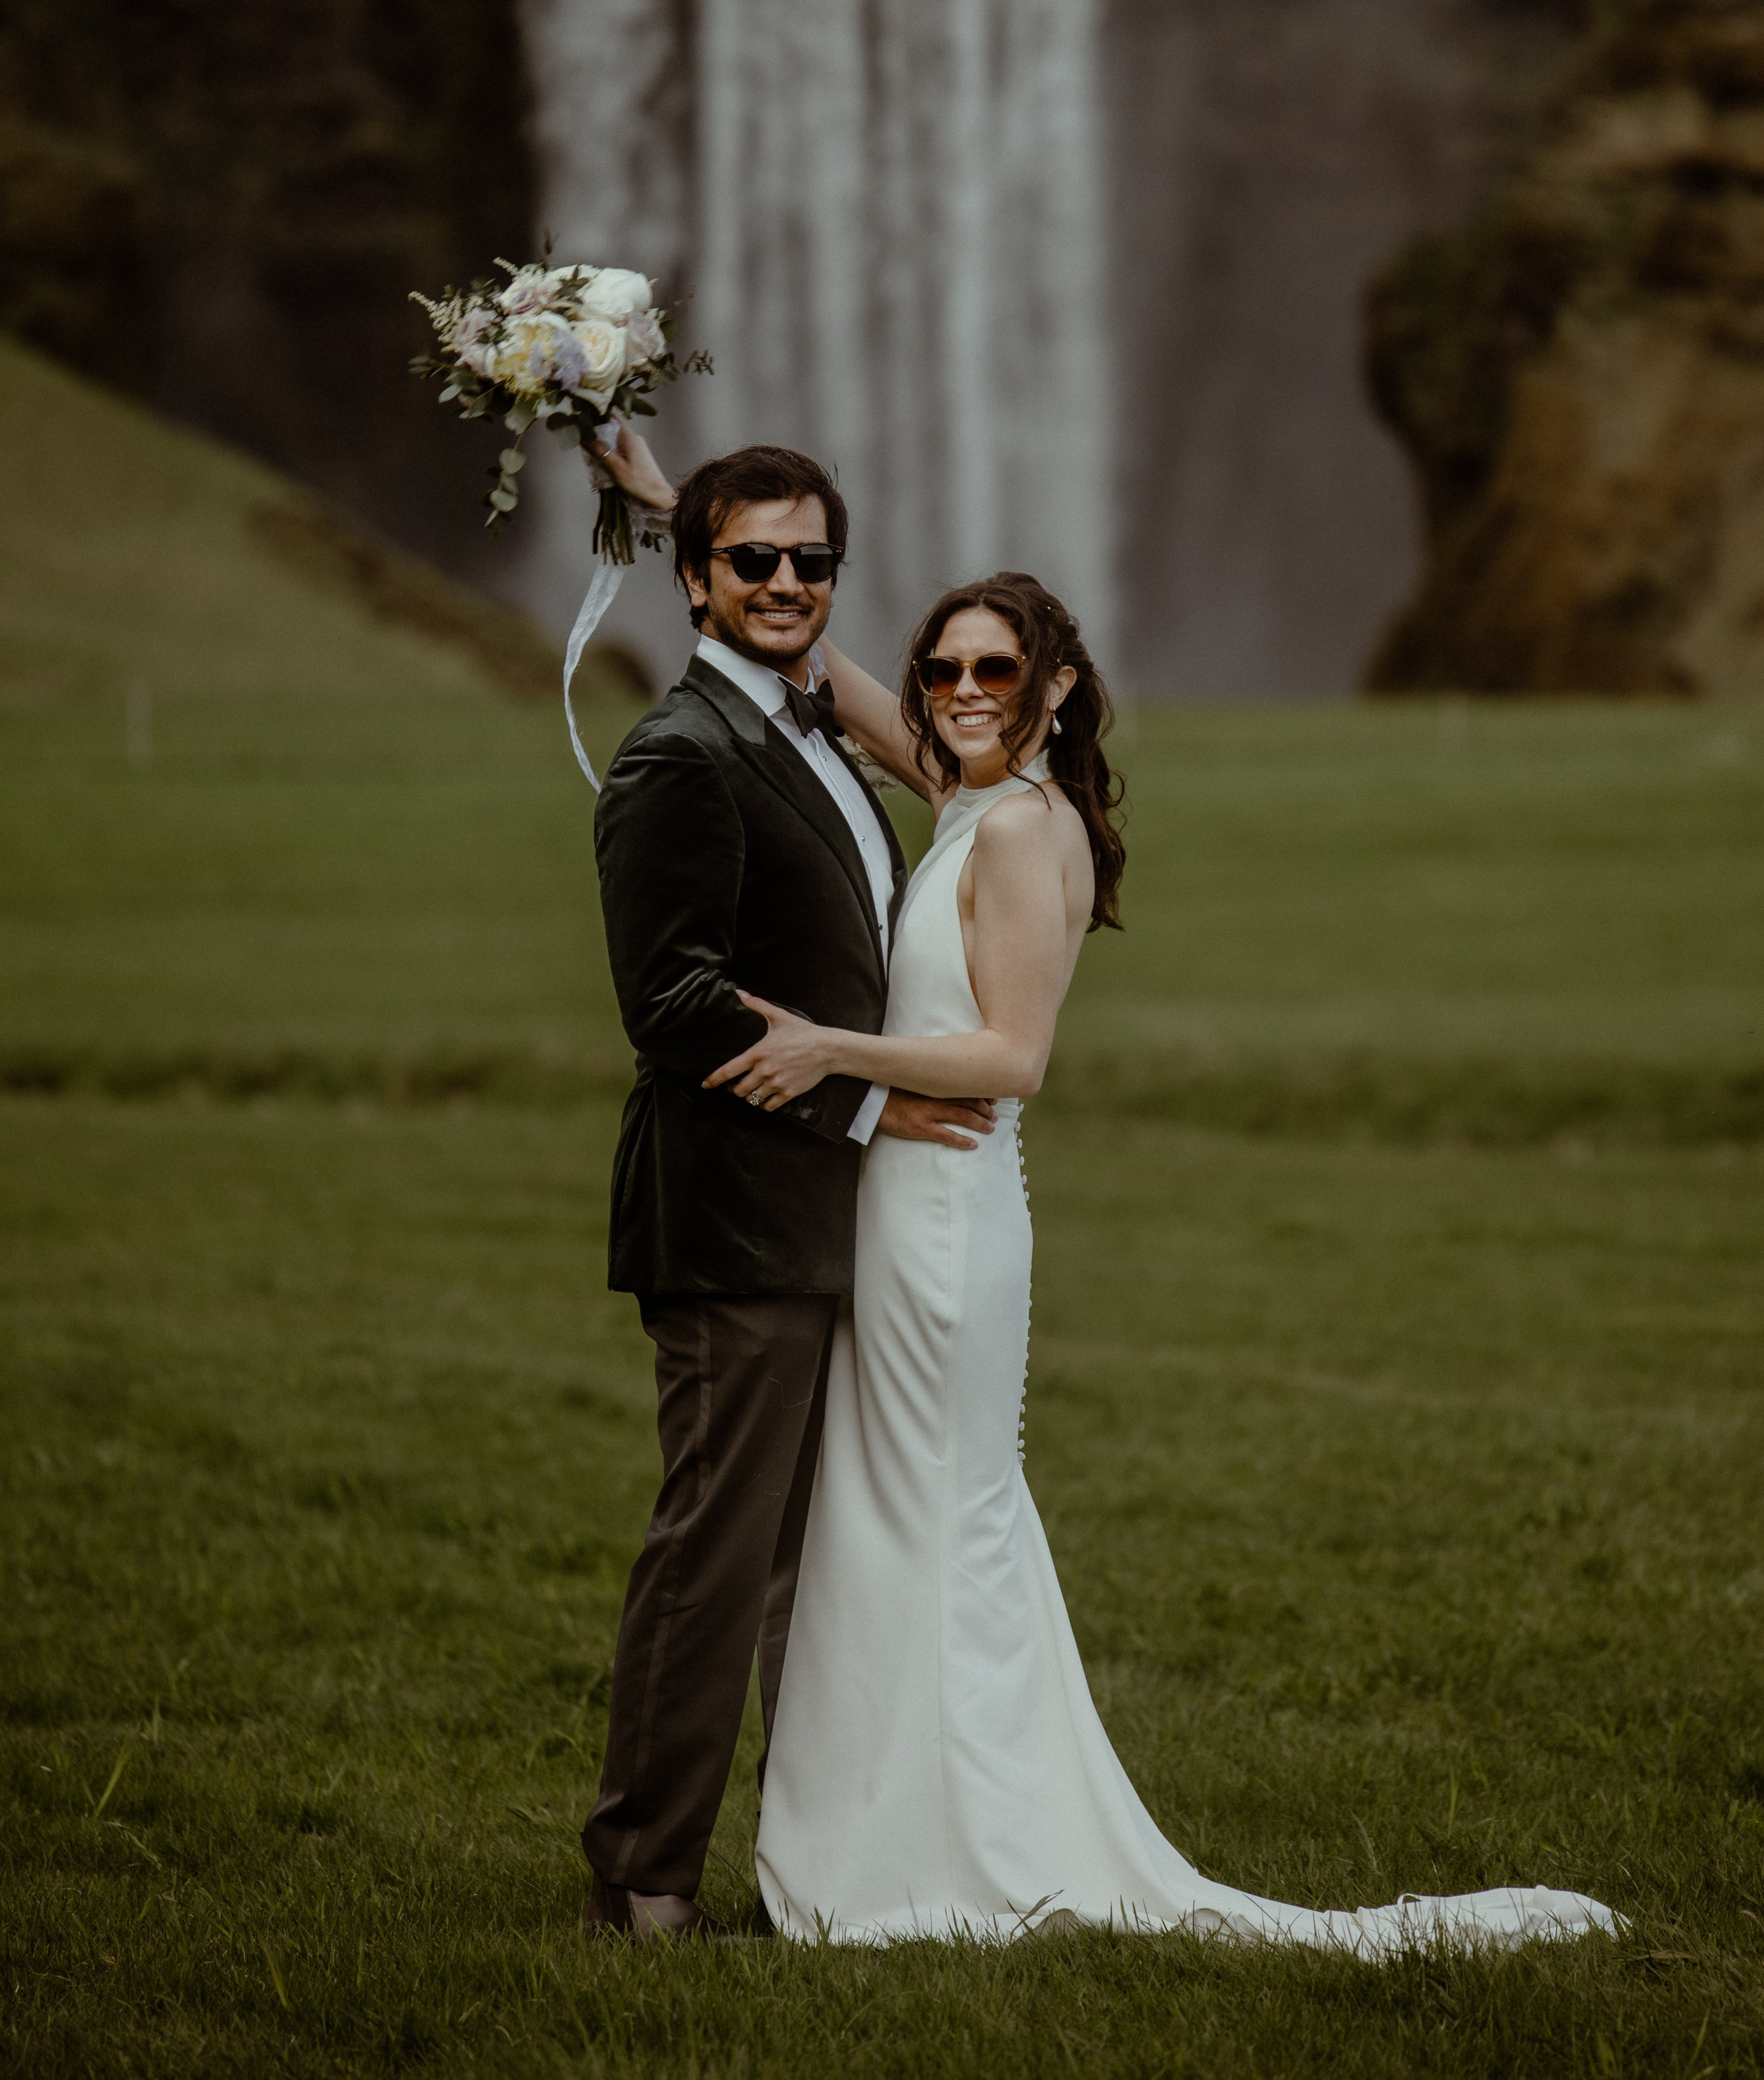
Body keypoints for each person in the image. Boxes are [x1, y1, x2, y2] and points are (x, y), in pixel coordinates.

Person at [704, 570, 1620, 1954]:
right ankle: (903, 1823)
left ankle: (963, 1839)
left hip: (944, 1213)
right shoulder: (969, 791)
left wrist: (833, 1051)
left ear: (1055, 686)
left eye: (993, 671)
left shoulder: (1021, 831)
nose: (957, 692)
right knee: (899, 1516)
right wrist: (654, 497)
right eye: (940, 668)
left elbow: (1014, 1056)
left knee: (942, 1517)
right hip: (906, 1207)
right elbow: (817, 665)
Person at [579, 435, 995, 1942]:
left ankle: (812, 1861)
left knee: (809, 1573)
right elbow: (671, 1002)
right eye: (748, 558)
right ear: (690, 576)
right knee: (720, 1550)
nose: (782, 581)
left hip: (826, 1215)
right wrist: (881, 1091)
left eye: (809, 560)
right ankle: (641, 1875)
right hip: (734, 1215)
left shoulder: (811, 721)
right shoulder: (675, 751)